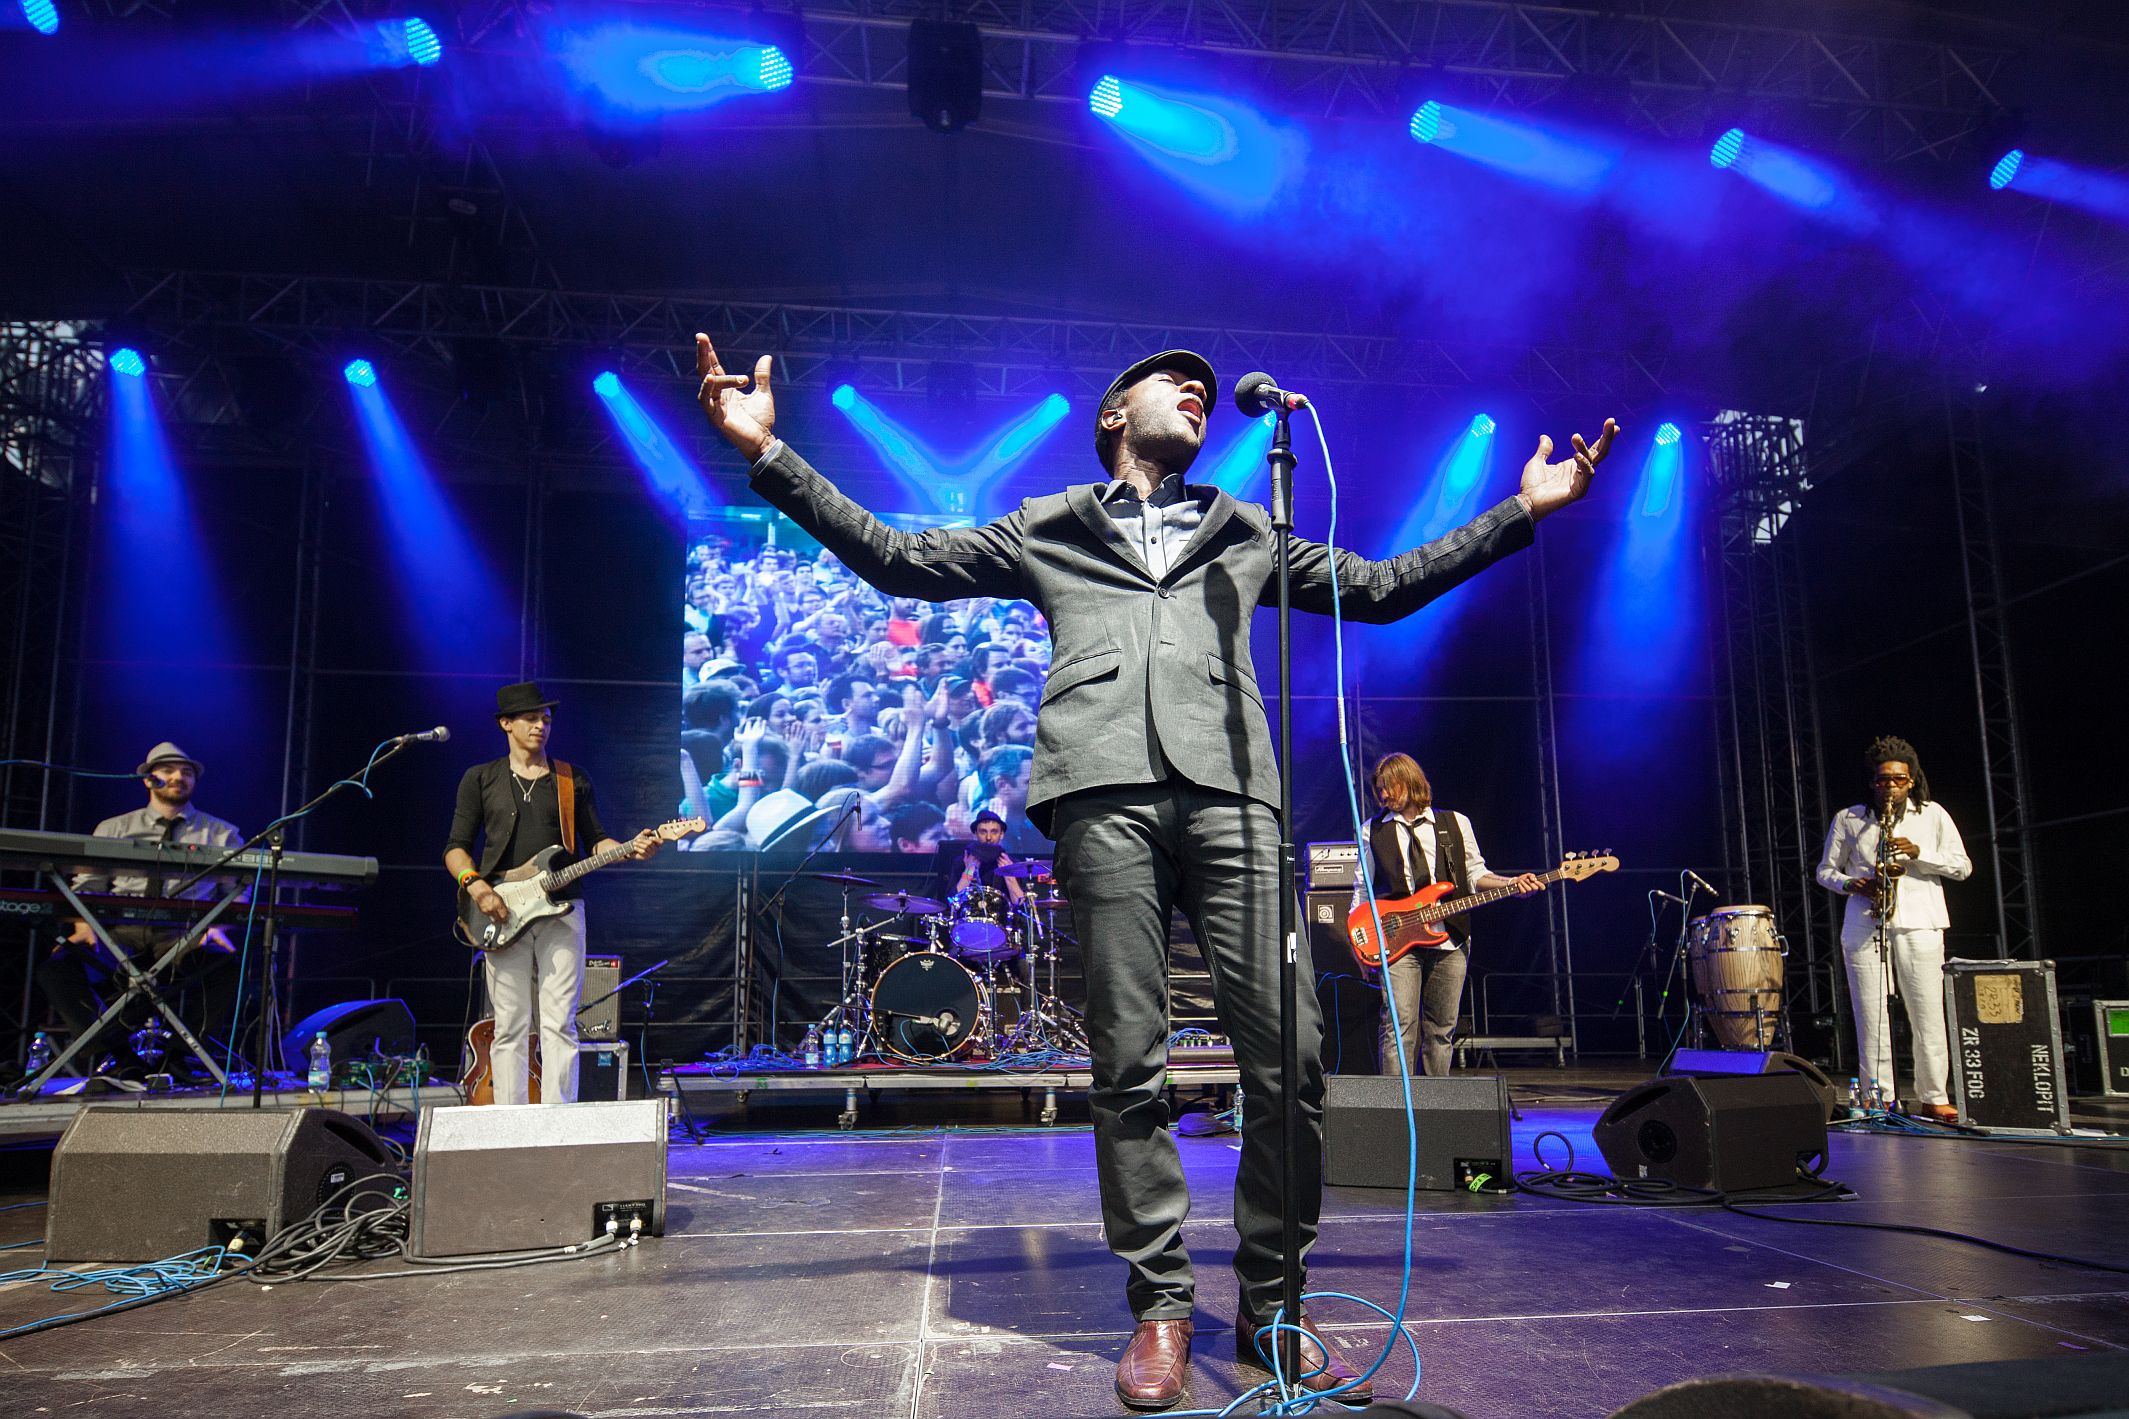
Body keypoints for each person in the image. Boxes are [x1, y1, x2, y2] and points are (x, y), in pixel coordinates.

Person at [692, 333, 1612, 1410]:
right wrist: (768, 455)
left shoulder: (1246, 527)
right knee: (1128, 1062)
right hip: (1101, 796)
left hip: (1234, 795)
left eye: (1205, 390)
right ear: (1113, 415)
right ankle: (1162, 1305)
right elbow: (901, 559)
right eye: (1172, 381)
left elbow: (1382, 586)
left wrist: (1520, 511)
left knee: (1291, 1058)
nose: (1196, 390)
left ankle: (1273, 1303)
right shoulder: (1049, 524)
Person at [443, 682, 661, 1105]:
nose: (540, 726)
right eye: (530, 718)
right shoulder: (481, 778)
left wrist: (628, 849)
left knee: (559, 1021)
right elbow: (455, 847)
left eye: (545, 719)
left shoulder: (570, 779)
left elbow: (595, 841)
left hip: (563, 907)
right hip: (502, 909)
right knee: (510, 1023)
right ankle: (510, 1121)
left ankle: (557, 1117)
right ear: (506, 724)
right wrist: (477, 886)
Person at [36, 741, 244, 1080]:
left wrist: (218, 927)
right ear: (148, 779)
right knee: (57, 969)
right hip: (118, 932)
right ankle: (119, 1055)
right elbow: (87, 886)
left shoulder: (221, 833)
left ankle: (180, 1057)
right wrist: (82, 926)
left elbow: (239, 891)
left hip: (185, 934)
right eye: (168, 770)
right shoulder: (114, 828)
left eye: (187, 772)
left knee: (229, 967)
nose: (178, 777)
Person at [1354, 754, 1540, 1079]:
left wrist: (1510, 884)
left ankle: (1434, 1102)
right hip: (1398, 942)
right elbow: (1362, 889)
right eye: (1379, 789)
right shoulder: (1373, 830)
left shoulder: (1455, 823)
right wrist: (1359, 944)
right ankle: (1395, 1103)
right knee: (1399, 1025)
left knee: (1441, 1030)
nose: (1383, 795)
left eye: (1389, 787)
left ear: (1409, 782)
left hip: (1450, 938)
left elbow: (1475, 874)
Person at [1815, 736, 1971, 1122]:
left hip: (1921, 922)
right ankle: (1879, 1097)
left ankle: (1934, 1096)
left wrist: (1919, 854)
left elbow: (1962, 867)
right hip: (1865, 922)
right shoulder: (1849, 818)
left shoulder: (1933, 815)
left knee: (1928, 1013)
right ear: (1872, 782)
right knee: (1871, 1015)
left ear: (1911, 780)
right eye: (1883, 780)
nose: (1891, 787)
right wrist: (1852, 883)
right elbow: (1825, 871)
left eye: (1899, 780)